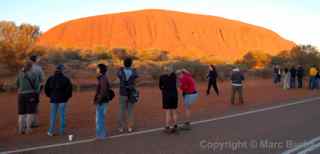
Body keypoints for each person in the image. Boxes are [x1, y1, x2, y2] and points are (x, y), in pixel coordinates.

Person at [45, 64, 73, 136]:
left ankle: (51, 131)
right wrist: (66, 98)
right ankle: (62, 131)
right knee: (62, 115)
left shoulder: (50, 78)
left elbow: (46, 89)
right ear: (62, 70)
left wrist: (50, 96)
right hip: (63, 100)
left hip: (53, 99)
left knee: (53, 116)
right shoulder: (66, 79)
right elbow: (69, 90)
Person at [16, 62, 41, 134]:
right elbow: (37, 86)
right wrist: (37, 91)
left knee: (21, 113)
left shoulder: (20, 73)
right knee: (30, 112)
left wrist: (21, 89)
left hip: (21, 95)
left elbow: (17, 84)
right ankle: (28, 129)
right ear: (31, 67)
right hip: (30, 95)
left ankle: (20, 129)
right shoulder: (33, 74)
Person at [117, 58, 139, 133]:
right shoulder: (134, 72)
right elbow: (136, 78)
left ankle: (121, 128)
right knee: (130, 110)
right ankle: (130, 127)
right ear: (131, 63)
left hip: (123, 93)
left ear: (124, 63)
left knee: (121, 110)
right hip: (131, 93)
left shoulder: (121, 71)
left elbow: (118, 75)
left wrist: (122, 68)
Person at [93, 64, 112, 139]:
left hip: (102, 101)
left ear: (100, 70)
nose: (96, 70)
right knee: (99, 118)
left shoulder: (103, 78)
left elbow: (103, 91)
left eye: (97, 68)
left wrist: (98, 100)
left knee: (100, 118)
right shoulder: (102, 78)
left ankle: (102, 135)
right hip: (102, 100)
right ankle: (99, 135)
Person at [159, 66, 179, 134]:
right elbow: (176, 72)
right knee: (174, 111)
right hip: (174, 96)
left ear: (165, 71)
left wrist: (164, 88)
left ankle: (167, 127)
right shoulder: (174, 76)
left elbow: (160, 86)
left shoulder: (162, 77)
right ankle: (175, 126)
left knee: (167, 112)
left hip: (166, 96)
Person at [30, 55, 45, 128]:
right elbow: (42, 79)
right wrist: (40, 88)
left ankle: (26, 122)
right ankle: (34, 123)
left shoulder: (25, 68)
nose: (39, 59)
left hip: (24, 91)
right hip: (35, 90)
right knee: (35, 106)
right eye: (38, 58)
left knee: (26, 106)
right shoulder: (38, 68)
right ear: (35, 60)